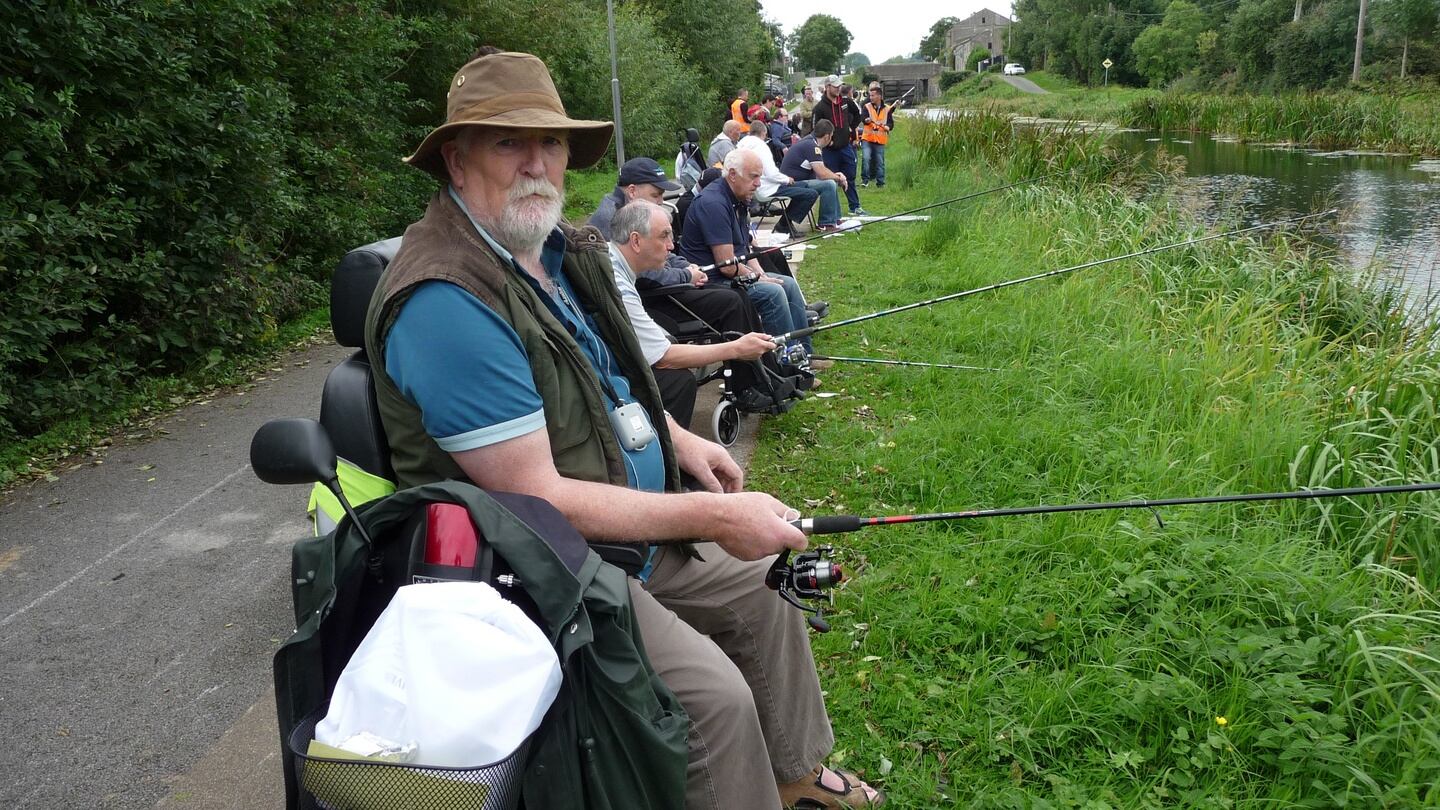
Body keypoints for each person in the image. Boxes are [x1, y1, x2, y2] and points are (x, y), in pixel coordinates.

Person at [368, 48, 882, 808]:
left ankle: (797, 772)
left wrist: (683, 442)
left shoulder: (549, 252)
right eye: (509, 143)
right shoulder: (446, 299)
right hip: (542, 566)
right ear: (456, 158)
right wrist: (709, 514)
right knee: (713, 703)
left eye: (550, 143)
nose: (537, 163)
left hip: (627, 532)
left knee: (767, 589)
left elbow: (613, 386)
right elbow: (534, 499)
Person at [608, 200, 790, 421]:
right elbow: (664, 358)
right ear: (636, 241)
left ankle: (766, 377)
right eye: (664, 236)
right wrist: (736, 349)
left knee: (734, 296)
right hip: (607, 369)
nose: (671, 245)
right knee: (678, 382)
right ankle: (666, 453)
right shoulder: (619, 286)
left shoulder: (615, 262)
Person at [678, 149, 830, 369]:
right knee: (773, 293)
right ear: (732, 175)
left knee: (788, 284)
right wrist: (757, 278)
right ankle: (785, 366)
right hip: (709, 283)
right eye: (753, 176)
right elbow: (727, 267)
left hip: (729, 275)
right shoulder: (714, 204)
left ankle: (803, 355)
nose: (758, 183)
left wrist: (762, 274)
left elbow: (746, 248)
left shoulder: (737, 198)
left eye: (760, 176)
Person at [587, 155, 707, 287]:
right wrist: (687, 275)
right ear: (632, 191)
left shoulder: (627, 210)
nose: (661, 201)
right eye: (655, 195)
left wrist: (686, 265)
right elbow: (642, 274)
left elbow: (658, 250)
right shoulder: (611, 219)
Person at [737, 119, 819, 236]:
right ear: (764, 133)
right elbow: (771, 173)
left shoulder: (741, 144)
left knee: (804, 186)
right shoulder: (761, 147)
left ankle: (786, 223)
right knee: (811, 194)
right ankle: (784, 225)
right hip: (767, 187)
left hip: (755, 186)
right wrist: (786, 179)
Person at [812, 75, 868, 216]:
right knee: (831, 181)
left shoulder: (845, 101)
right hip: (830, 151)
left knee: (850, 177)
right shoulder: (819, 107)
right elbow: (815, 128)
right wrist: (825, 142)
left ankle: (855, 206)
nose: (838, 88)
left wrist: (851, 128)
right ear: (827, 87)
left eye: (839, 86)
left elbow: (857, 114)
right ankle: (833, 212)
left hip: (846, 146)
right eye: (835, 86)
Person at [778, 119, 847, 232]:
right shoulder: (811, 146)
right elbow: (822, 174)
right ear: (827, 136)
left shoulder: (809, 142)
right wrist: (839, 177)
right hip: (789, 184)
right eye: (831, 136)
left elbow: (821, 172)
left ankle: (835, 219)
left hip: (795, 182)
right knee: (829, 184)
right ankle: (827, 223)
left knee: (830, 181)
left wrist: (835, 176)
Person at [860, 83, 895, 188]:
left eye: (872, 95)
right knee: (866, 158)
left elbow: (890, 123)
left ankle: (880, 182)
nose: (870, 97)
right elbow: (863, 118)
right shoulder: (866, 107)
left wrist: (888, 127)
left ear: (879, 96)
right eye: (870, 95)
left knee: (880, 162)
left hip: (880, 139)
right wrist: (866, 120)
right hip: (868, 138)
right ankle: (865, 180)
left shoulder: (887, 109)